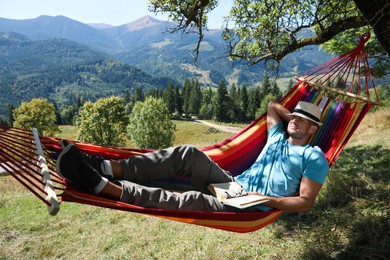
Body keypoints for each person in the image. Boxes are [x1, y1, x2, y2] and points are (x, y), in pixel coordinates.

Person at [56, 101, 329, 212]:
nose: (293, 121)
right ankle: (105, 166)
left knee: (191, 199)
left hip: (252, 206)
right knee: (188, 153)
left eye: (302, 121)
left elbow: (305, 202)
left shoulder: (314, 156)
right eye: (292, 117)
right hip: (234, 185)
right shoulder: (278, 136)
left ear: (314, 129)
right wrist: (298, 112)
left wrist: (265, 200)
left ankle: (103, 186)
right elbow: (272, 107)